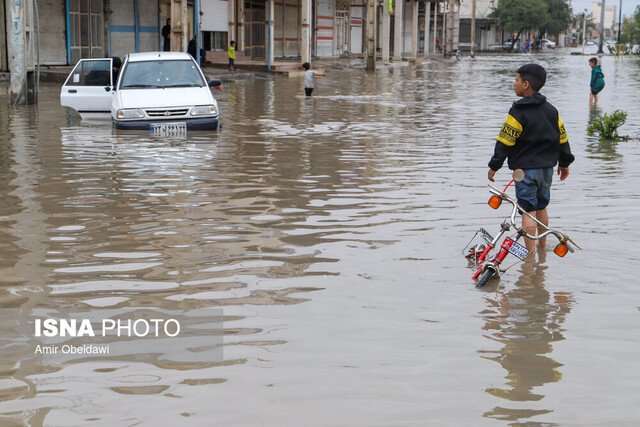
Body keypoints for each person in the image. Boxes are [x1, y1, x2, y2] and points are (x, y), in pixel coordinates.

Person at [487, 63, 575, 254]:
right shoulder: (552, 111)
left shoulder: (518, 112)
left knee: (527, 210)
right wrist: (565, 162)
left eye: (516, 80)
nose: (514, 83)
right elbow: (562, 138)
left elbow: (505, 140)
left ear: (526, 84)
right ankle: (543, 249)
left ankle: (530, 254)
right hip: (547, 170)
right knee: (541, 207)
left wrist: (495, 165)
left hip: (525, 170)